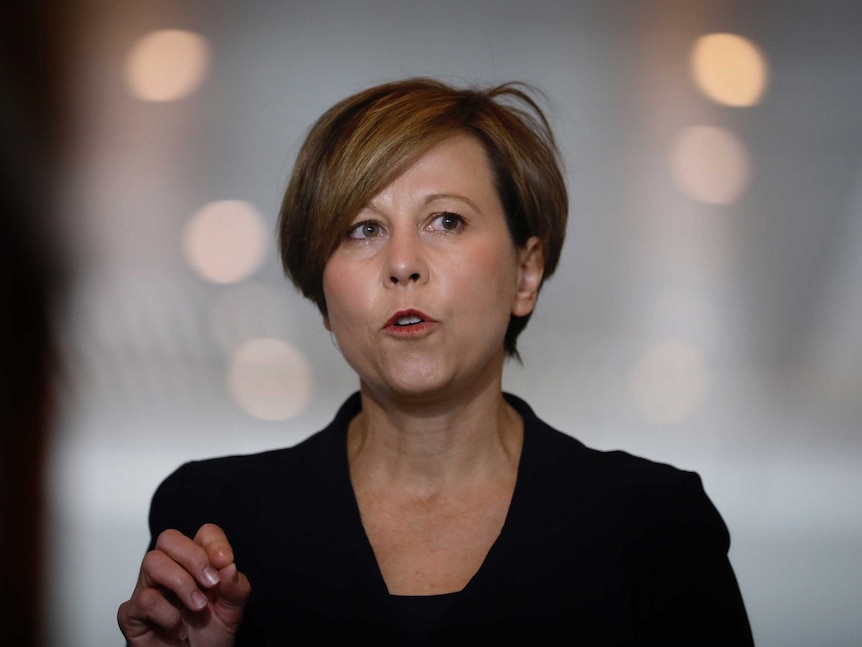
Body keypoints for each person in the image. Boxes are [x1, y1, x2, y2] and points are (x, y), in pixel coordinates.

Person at [118, 79, 754, 645]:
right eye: (362, 229)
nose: (402, 263)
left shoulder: (655, 524)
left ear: (526, 272)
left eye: (446, 220)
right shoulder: (214, 524)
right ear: (321, 291)